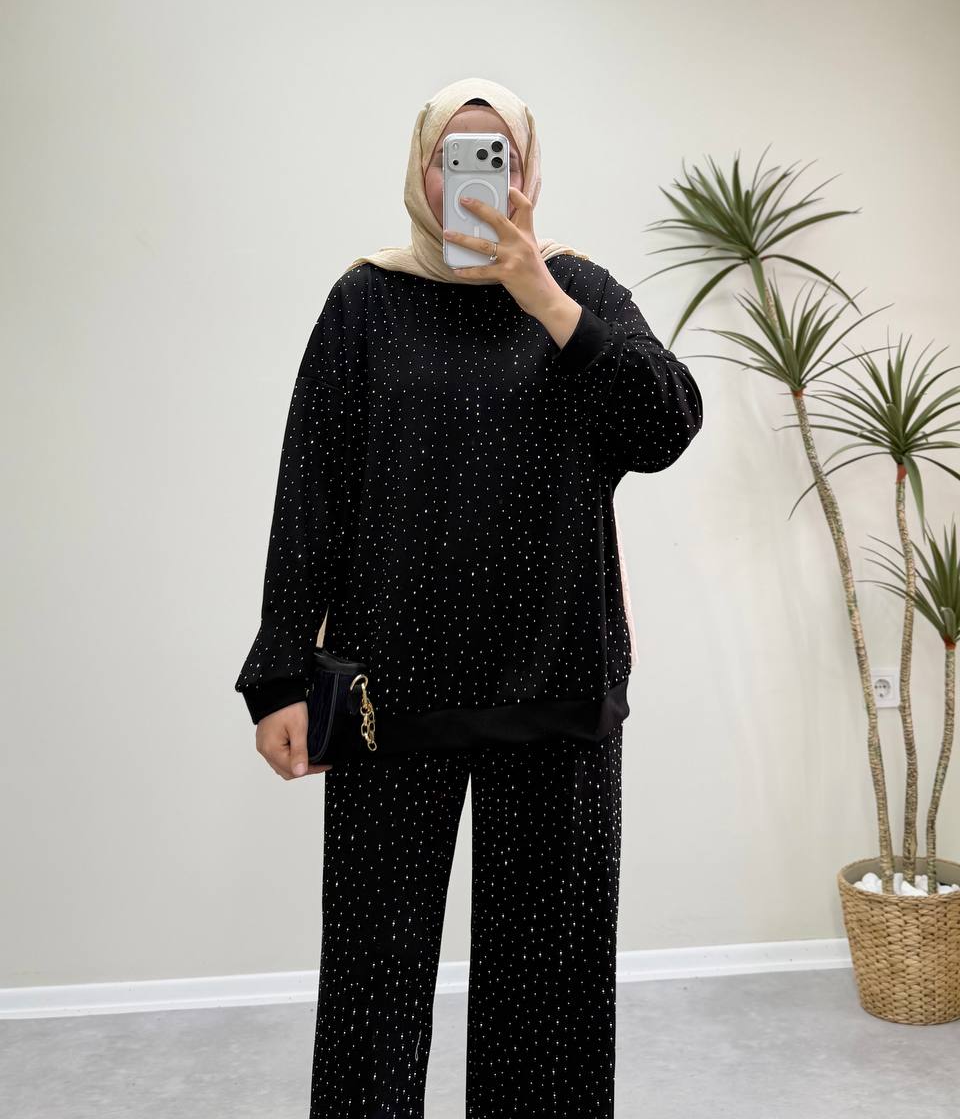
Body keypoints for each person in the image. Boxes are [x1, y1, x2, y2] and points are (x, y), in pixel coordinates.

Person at [235, 77, 703, 1117]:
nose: (476, 177)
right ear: (422, 168)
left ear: (528, 172)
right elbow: (312, 488)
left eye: (499, 155)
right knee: (372, 991)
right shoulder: (366, 300)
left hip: (558, 692)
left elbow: (665, 424)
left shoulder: (578, 288)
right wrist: (278, 677)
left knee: (550, 1004)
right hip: (386, 699)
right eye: (456, 154)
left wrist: (546, 299)